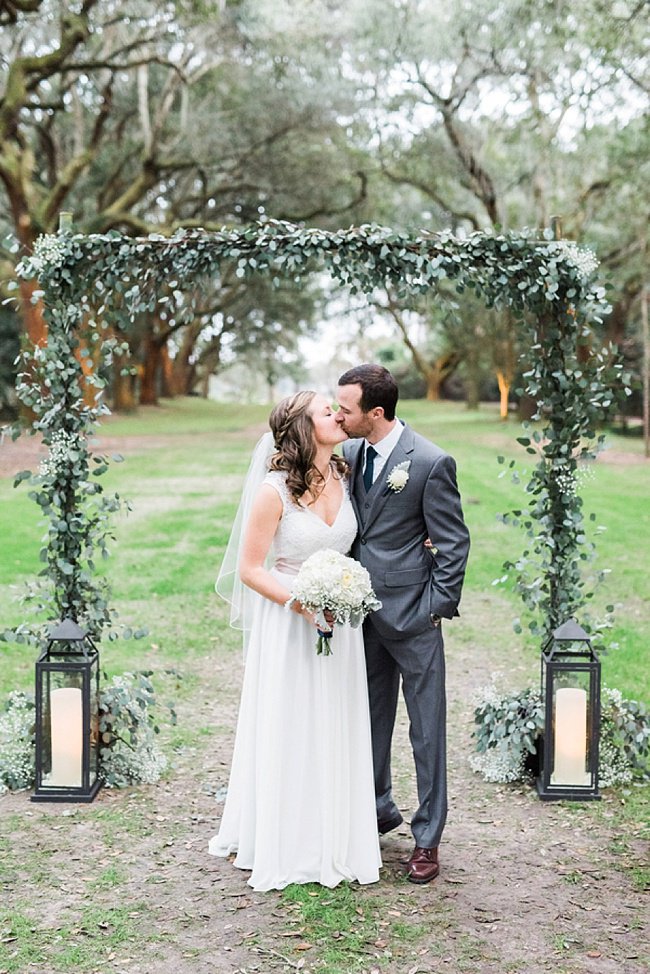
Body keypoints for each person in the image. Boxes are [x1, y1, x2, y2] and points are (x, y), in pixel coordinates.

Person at [209, 391, 381, 891]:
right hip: (289, 623)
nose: (338, 415)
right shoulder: (273, 492)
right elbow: (248, 569)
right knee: (293, 722)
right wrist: (301, 604)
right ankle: (292, 840)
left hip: (340, 624)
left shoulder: (346, 477)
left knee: (335, 720)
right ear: (304, 429)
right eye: (327, 412)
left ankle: (338, 835)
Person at [336, 364, 470, 884]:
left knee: (426, 730)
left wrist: (434, 607)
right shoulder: (347, 455)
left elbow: (453, 543)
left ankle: (428, 837)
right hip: (359, 616)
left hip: (414, 617)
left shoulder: (431, 463)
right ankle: (377, 809)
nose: (337, 414)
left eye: (345, 407)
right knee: (367, 722)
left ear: (376, 412)